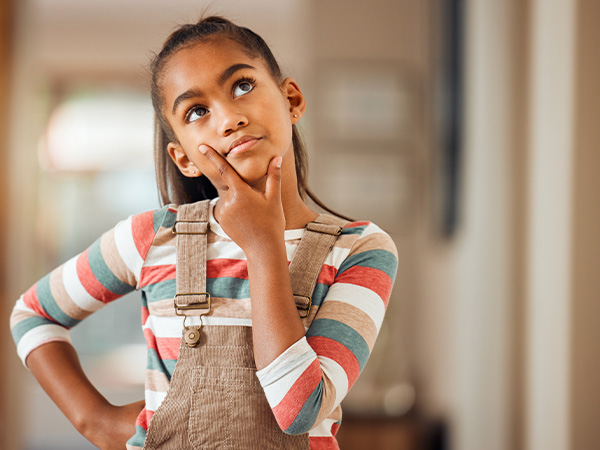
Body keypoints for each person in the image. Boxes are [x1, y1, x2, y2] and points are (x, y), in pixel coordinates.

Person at [10, 16, 398, 449]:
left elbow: (299, 410)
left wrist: (262, 245)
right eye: (197, 111)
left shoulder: (360, 250)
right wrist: (93, 420)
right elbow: (32, 315)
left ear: (292, 99)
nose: (229, 118)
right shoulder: (151, 239)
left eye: (242, 86)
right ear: (184, 159)